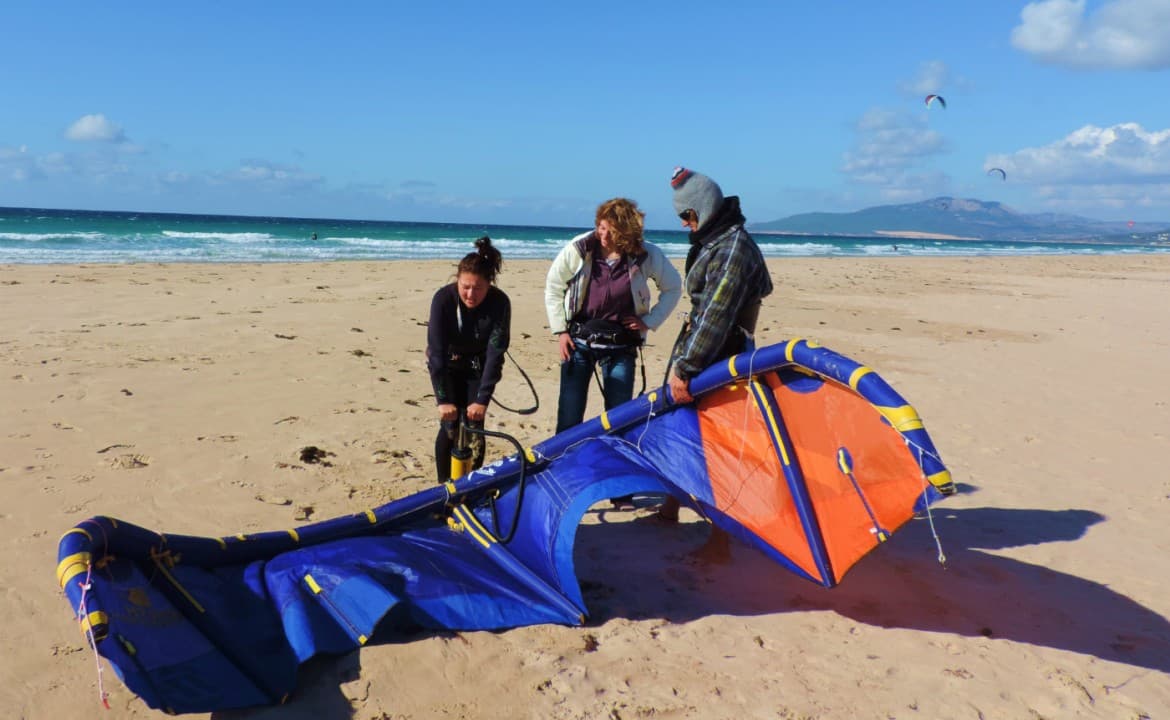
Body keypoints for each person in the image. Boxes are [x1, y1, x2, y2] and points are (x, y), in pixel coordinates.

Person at [655, 167, 774, 560]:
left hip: (723, 358)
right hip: (700, 351)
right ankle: (671, 507)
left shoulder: (733, 248)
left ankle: (721, 541)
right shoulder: (714, 240)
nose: (686, 225)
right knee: (677, 427)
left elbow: (717, 315)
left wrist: (686, 369)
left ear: (704, 208)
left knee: (718, 447)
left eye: (688, 216)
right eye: (682, 218)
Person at [545, 197, 682, 437]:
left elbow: (673, 287)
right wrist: (561, 330)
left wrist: (649, 321)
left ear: (627, 232)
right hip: (578, 343)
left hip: (621, 345)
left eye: (612, 230)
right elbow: (554, 285)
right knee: (569, 419)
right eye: (601, 227)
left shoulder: (647, 255)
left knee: (619, 421)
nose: (604, 235)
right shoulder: (581, 248)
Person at [425, 236, 510, 482]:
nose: (471, 294)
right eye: (465, 287)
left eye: (478, 288)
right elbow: (436, 352)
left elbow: (496, 354)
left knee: (474, 425)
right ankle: (445, 487)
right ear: (457, 281)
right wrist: (443, 400)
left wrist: (482, 399)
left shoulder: (500, 302)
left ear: (489, 284)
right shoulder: (443, 299)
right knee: (450, 427)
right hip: (447, 364)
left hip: (478, 366)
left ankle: (470, 484)